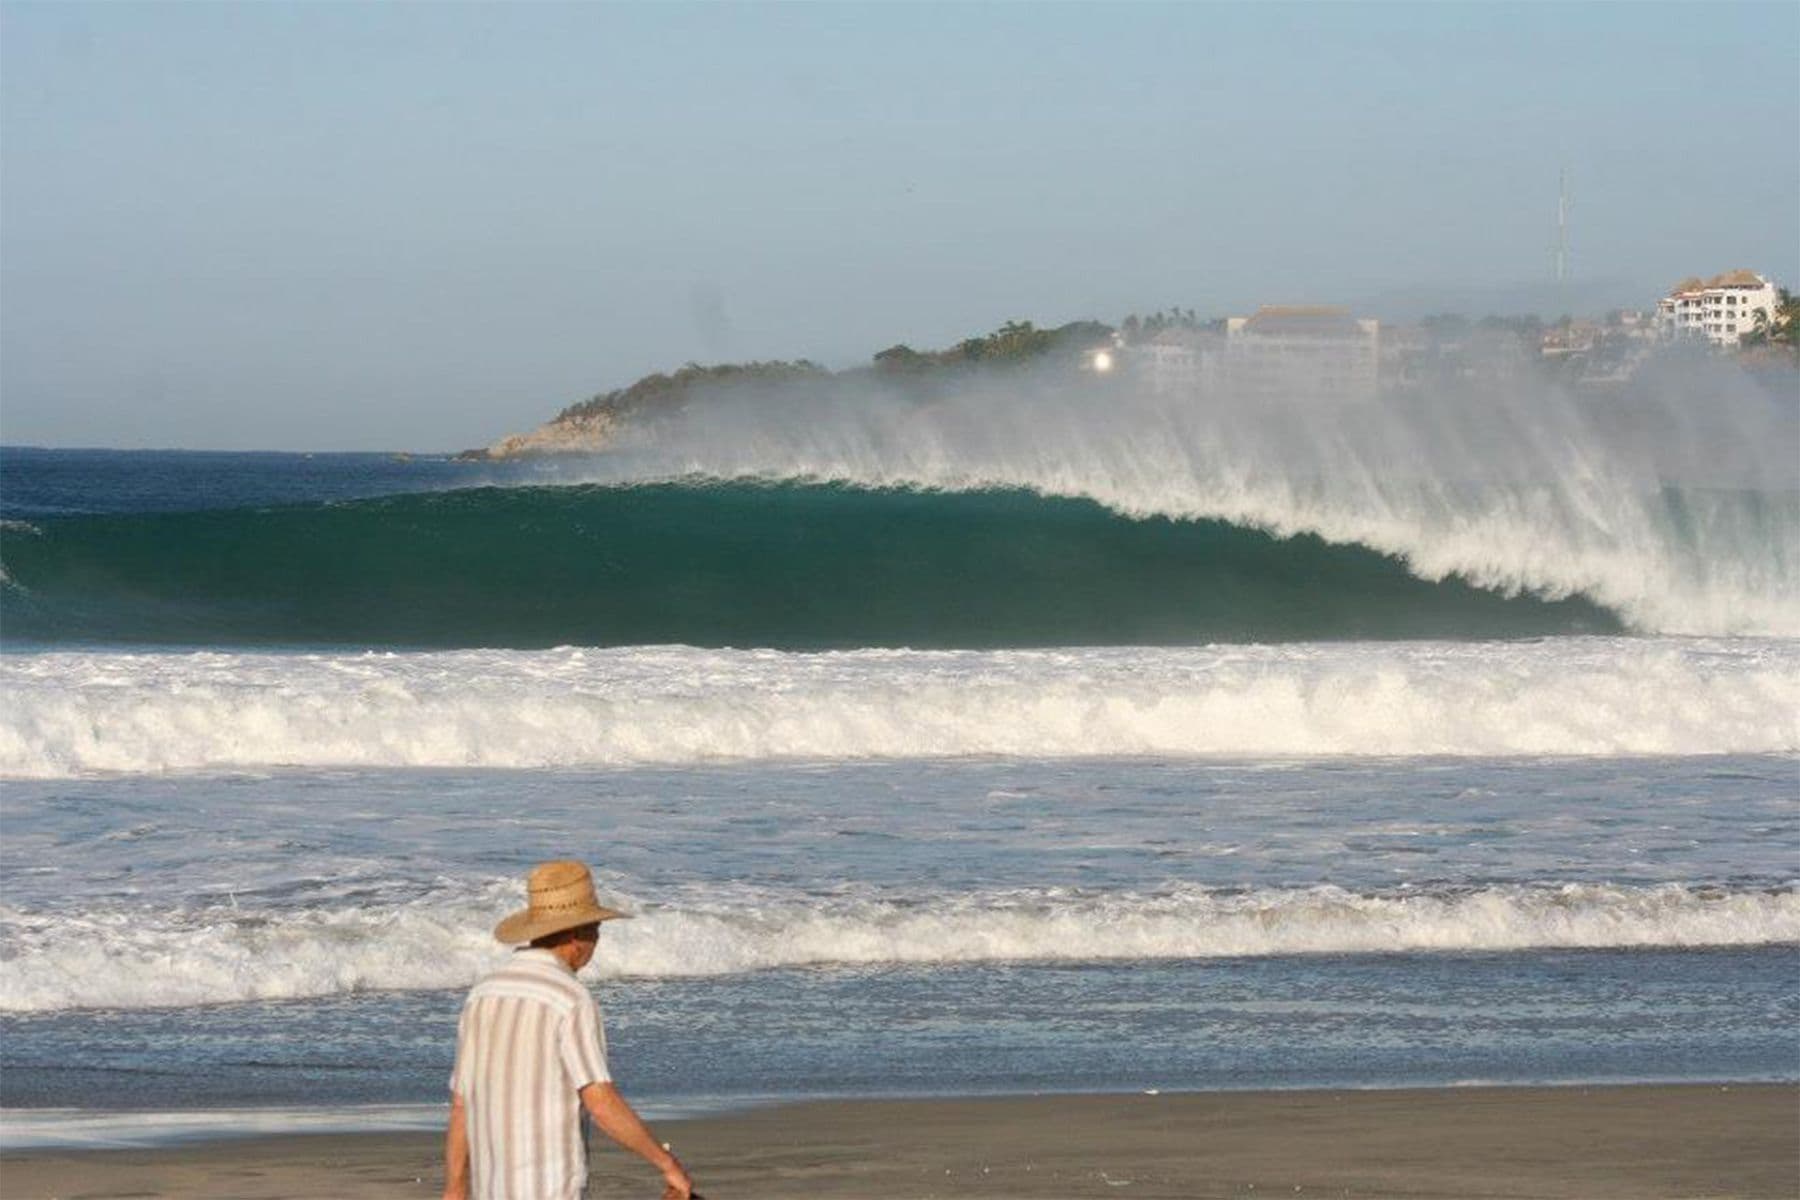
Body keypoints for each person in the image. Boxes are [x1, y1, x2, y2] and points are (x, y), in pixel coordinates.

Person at [444, 859, 695, 1200]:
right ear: (578, 936)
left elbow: (462, 1103)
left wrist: (455, 1188)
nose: (597, 941)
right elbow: (600, 1100)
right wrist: (667, 1164)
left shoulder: (483, 994)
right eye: (596, 931)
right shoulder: (570, 999)